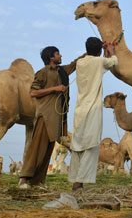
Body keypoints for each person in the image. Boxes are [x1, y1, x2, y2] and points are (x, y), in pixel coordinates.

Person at [18, 46, 83, 188]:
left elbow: (75, 64)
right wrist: (55, 88)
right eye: (58, 53)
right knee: (36, 148)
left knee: (48, 151)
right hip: (45, 116)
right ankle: (23, 179)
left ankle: (38, 182)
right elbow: (33, 93)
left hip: (58, 118)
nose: (61, 55)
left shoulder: (62, 71)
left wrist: (90, 53)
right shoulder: (42, 73)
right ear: (51, 57)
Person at [68, 37, 117, 191]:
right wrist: (111, 50)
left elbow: (100, 61)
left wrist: (101, 51)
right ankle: (79, 183)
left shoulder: (80, 63)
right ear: (98, 51)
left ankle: (75, 180)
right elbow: (113, 61)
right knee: (90, 145)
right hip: (92, 110)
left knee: (77, 145)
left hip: (80, 109)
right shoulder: (99, 62)